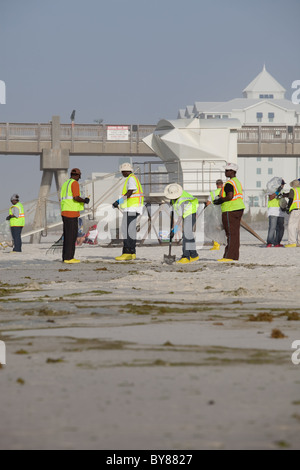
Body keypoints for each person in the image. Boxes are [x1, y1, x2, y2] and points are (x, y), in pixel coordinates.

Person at [213, 162, 245, 262]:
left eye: (227, 170)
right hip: (238, 208)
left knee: (230, 234)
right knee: (235, 234)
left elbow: (230, 196)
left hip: (230, 210)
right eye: (225, 170)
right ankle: (234, 256)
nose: (225, 172)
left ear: (233, 171)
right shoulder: (237, 182)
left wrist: (220, 200)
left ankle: (229, 256)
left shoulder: (229, 183)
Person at [112, 163, 144, 261]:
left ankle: (127, 252)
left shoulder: (131, 178)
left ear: (126, 171)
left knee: (126, 231)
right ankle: (132, 252)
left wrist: (118, 201)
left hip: (132, 208)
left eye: (122, 172)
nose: (122, 174)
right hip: (134, 208)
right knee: (131, 230)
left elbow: (130, 193)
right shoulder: (133, 178)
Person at [164, 183, 199, 264]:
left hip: (190, 213)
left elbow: (179, 218)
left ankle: (186, 256)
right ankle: (194, 255)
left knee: (186, 234)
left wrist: (174, 231)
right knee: (188, 234)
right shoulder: (175, 197)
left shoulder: (182, 200)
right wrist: (172, 201)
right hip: (186, 214)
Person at [60, 168, 90, 264]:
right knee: (71, 236)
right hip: (71, 213)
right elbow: (76, 197)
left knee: (67, 235)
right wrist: (85, 200)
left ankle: (65, 257)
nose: (80, 177)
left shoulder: (65, 184)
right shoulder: (74, 183)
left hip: (65, 212)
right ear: (78, 175)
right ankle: (69, 258)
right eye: (80, 176)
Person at [266, 179, 286, 248]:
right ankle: (269, 242)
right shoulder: (271, 190)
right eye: (282, 184)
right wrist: (278, 191)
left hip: (280, 210)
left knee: (281, 228)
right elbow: (271, 197)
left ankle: (277, 242)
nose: (283, 186)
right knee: (272, 227)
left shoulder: (282, 190)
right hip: (273, 210)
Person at [206, 179, 223, 251]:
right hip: (224, 211)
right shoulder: (224, 192)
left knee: (215, 229)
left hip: (215, 213)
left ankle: (216, 245)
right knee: (223, 228)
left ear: (216, 185)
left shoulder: (212, 193)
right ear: (222, 185)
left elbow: (208, 203)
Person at [285, 179, 300, 248]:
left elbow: (291, 199)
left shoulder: (293, 190)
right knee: (299, 227)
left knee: (291, 226)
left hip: (295, 210)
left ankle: (292, 242)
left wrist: (288, 208)